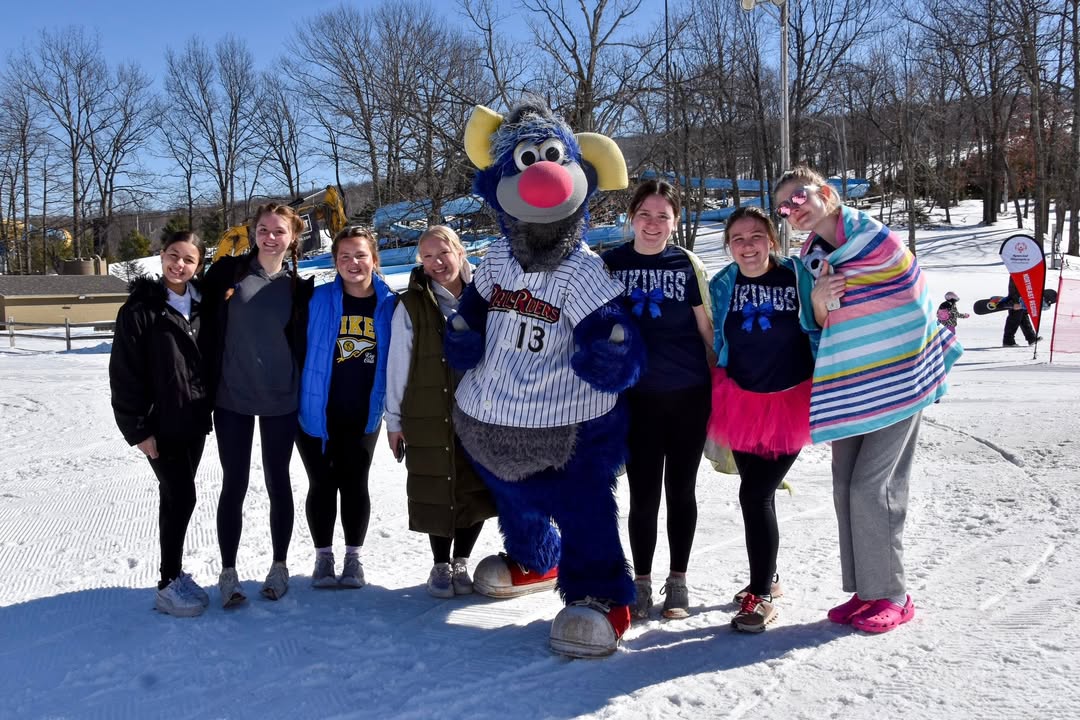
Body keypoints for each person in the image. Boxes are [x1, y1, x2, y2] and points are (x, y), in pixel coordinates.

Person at [774, 166, 962, 633]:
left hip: (899, 379)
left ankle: (895, 594)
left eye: (798, 197)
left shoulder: (874, 239)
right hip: (852, 386)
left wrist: (846, 299)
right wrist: (819, 300)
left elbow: (908, 294)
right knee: (844, 488)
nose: (793, 209)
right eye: (783, 207)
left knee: (873, 488)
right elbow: (816, 323)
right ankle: (867, 591)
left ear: (825, 192)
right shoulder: (812, 258)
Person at [601, 179, 715, 620]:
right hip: (637, 399)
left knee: (681, 490)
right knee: (643, 495)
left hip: (688, 395)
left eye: (662, 216)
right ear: (631, 217)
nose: (652, 223)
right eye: (645, 214)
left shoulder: (685, 263)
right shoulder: (609, 264)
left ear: (675, 221)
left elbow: (705, 327)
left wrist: (723, 372)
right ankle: (642, 581)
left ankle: (679, 581)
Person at [706, 206, 820, 633]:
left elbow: (822, 320)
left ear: (772, 240)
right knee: (755, 495)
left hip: (790, 402)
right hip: (739, 401)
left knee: (756, 495)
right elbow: (716, 335)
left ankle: (762, 594)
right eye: (738, 239)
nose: (747, 245)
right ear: (729, 245)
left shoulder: (796, 275)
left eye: (756, 236)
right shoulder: (723, 283)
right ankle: (767, 577)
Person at [200, 203, 314, 608]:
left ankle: (279, 566)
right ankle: (228, 571)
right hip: (232, 396)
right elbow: (190, 309)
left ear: (292, 237)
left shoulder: (300, 288)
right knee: (234, 484)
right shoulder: (228, 273)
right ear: (252, 233)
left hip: (281, 398)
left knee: (277, 482)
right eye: (263, 229)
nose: (270, 237)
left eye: (279, 231)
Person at [384, 226, 496, 598]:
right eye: (427, 257)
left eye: (442, 254)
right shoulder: (411, 304)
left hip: (481, 412)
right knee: (435, 485)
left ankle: (462, 560)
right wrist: (394, 421)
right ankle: (439, 563)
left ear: (460, 252)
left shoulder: (486, 296)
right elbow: (398, 364)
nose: (436, 263)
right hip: (429, 410)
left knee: (473, 487)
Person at [109, 231, 213, 617]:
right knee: (182, 495)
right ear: (161, 256)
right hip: (159, 422)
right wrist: (138, 429)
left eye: (188, 259)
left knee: (173, 498)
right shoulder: (140, 309)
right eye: (173, 256)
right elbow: (124, 373)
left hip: (195, 419)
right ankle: (167, 584)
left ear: (198, 264)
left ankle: (174, 574)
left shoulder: (204, 304)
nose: (179, 265)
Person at [296, 226, 395, 589]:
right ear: (335, 261)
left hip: (363, 413)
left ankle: (353, 558)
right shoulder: (316, 299)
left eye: (360, 255)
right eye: (344, 256)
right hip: (315, 411)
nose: (353, 263)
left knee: (355, 484)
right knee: (321, 484)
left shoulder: (391, 304)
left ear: (374, 259)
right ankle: (323, 558)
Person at [1002, 279, 1039, 346]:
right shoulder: (1016, 270)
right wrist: (1015, 301)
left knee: (1023, 315)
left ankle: (1031, 337)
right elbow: (1013, 287)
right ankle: (1008, 341)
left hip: (1022, 295)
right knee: (1015, 317)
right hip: (1017, 297)